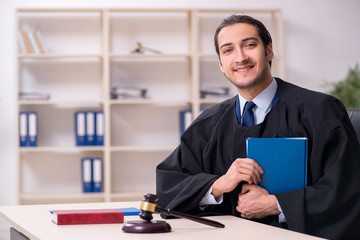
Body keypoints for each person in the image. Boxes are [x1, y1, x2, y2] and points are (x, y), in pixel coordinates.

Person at [156, 14, 360, 240]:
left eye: (249, 45)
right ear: (221, 65)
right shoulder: (208, 125)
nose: (240, 57)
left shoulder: (320, 111)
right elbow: (168, 188)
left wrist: (277, 204)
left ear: (269, 51)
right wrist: (218, 184)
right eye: (228, 50)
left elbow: (348, 188)